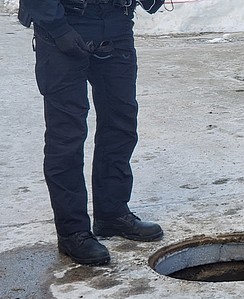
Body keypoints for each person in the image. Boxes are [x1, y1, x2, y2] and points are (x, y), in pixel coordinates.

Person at [18, 0, 166, 266]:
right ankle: (72, 232)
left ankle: (112, 213)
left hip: (116, 22)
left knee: (121, 124)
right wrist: (57, 27)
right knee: (67, 136)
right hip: (65, 24)